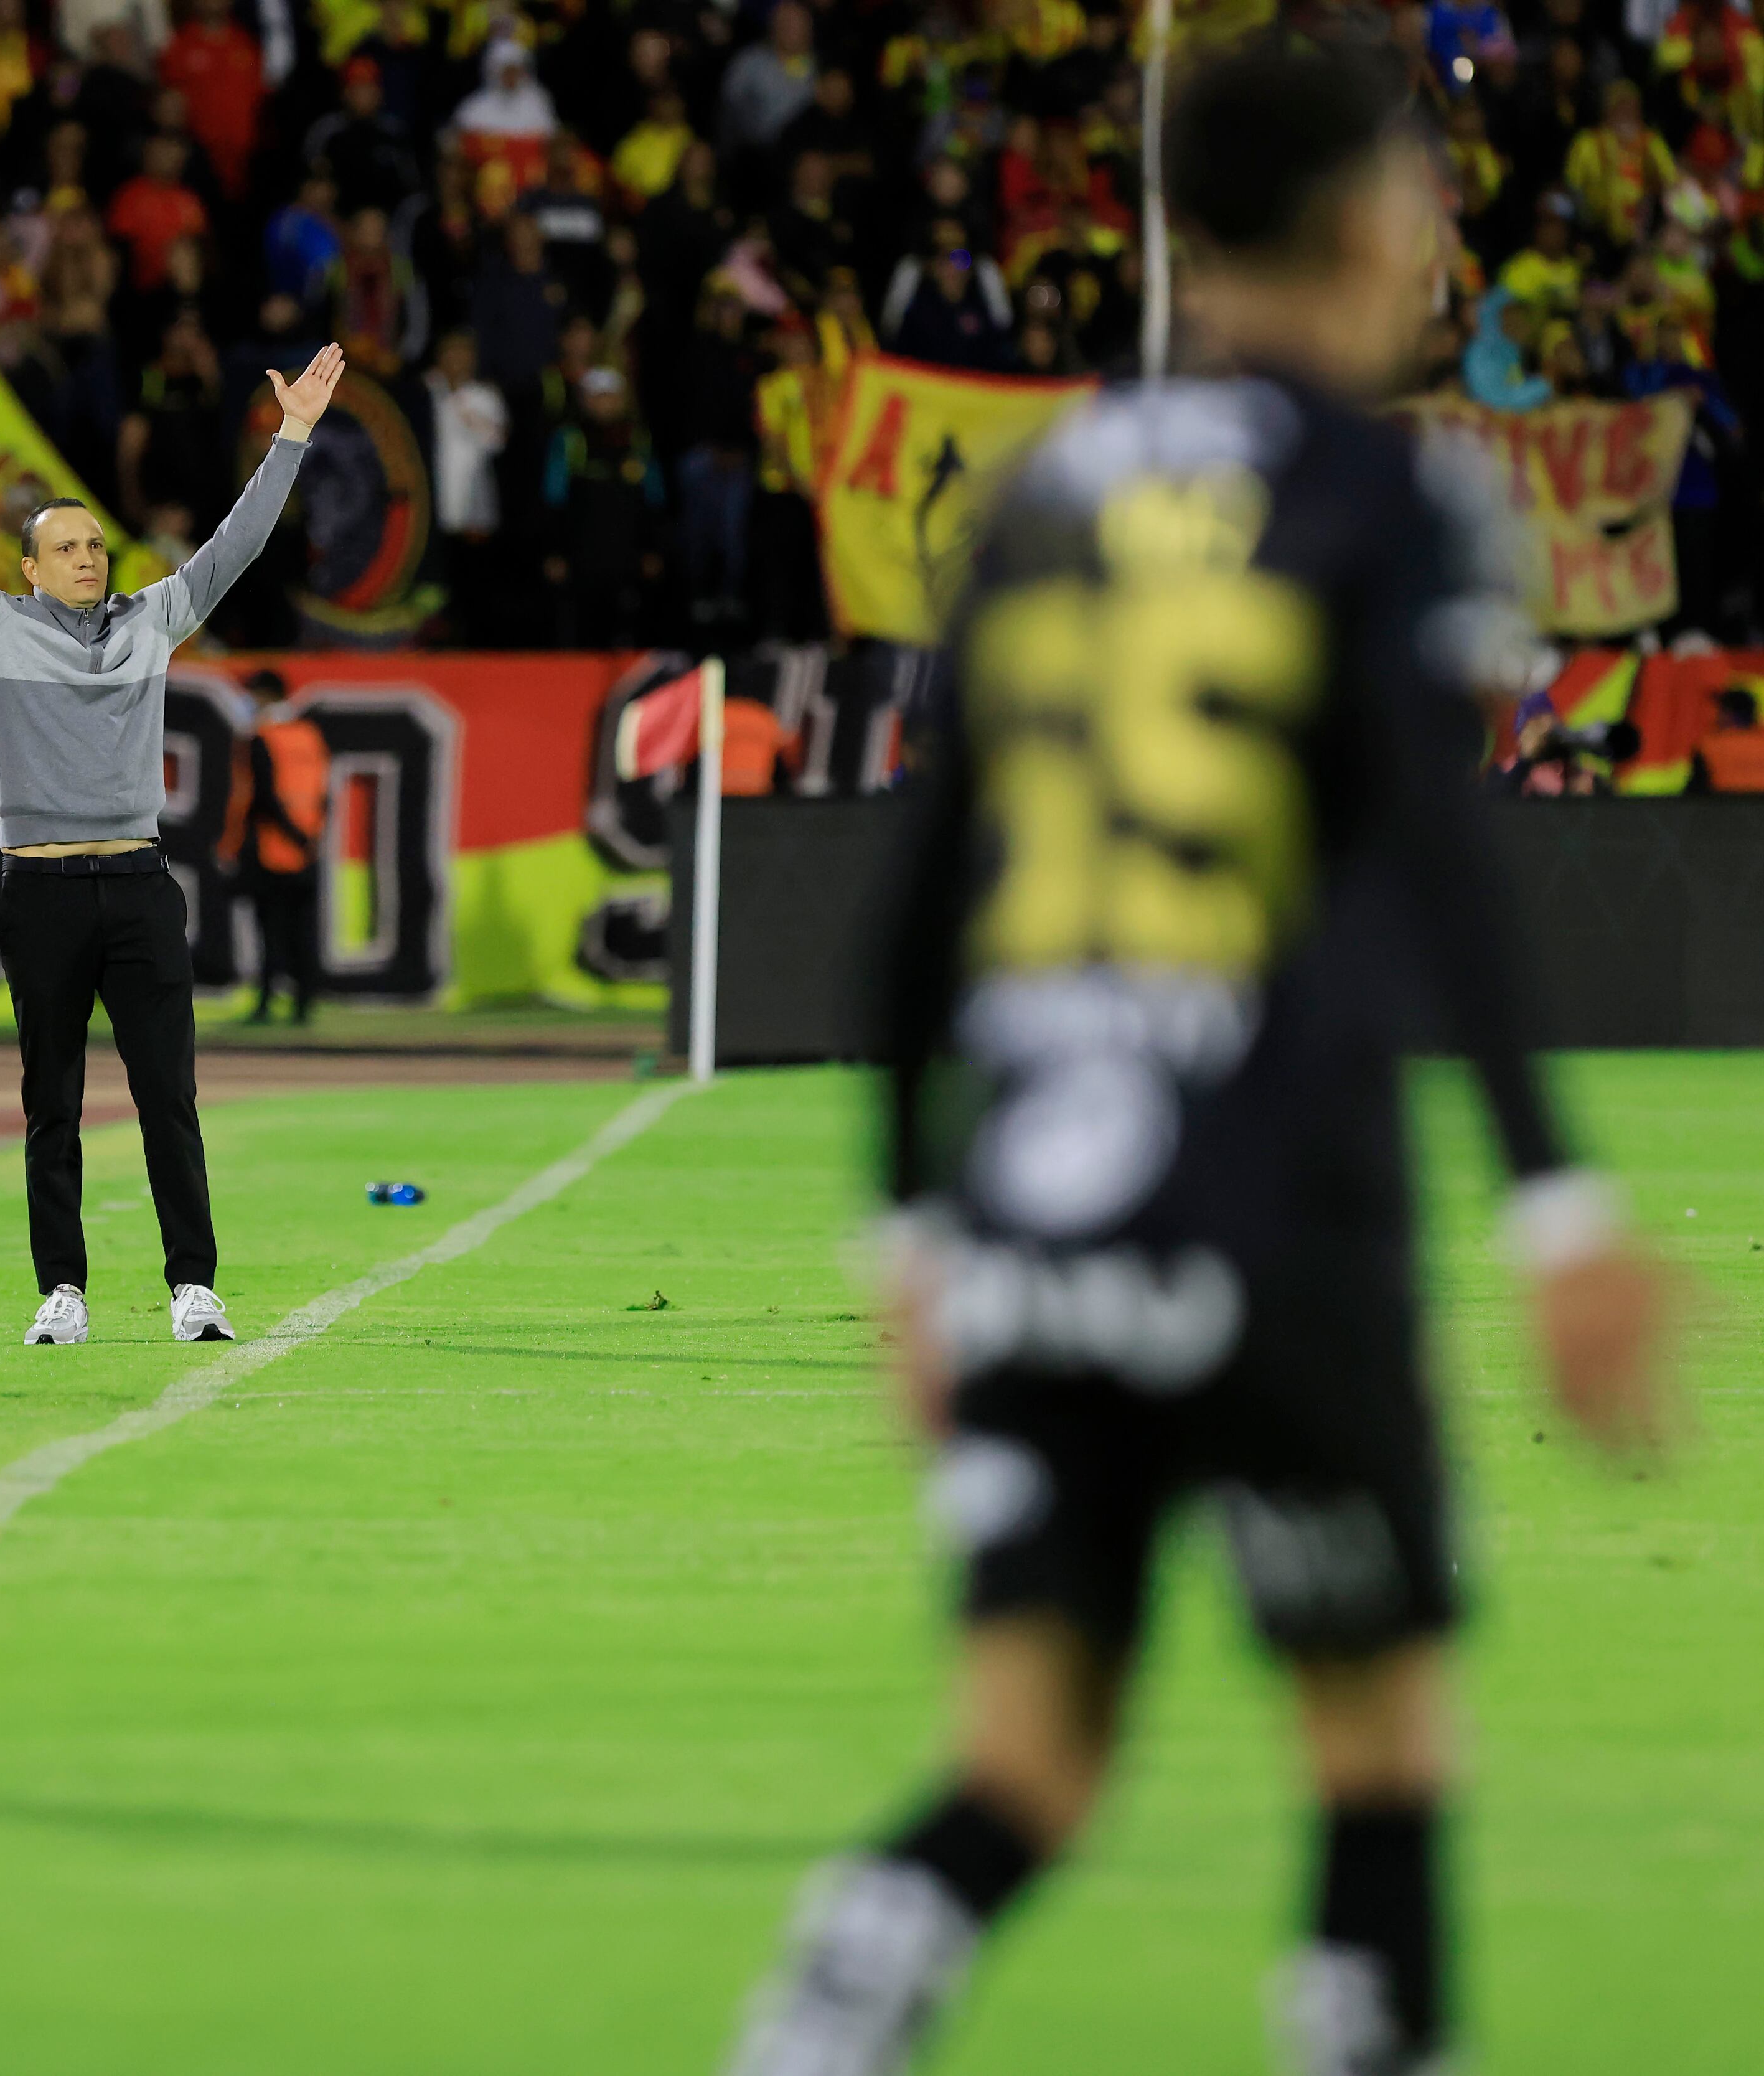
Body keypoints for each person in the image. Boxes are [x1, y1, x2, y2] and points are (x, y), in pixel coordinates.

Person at [723, 49, 1673, 2076]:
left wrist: (904, 1234)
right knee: (1380, 1746)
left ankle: (839, 1994)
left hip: (1030, 1222)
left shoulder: (1049, 490)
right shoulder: (1393, 495)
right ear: (1365, 223)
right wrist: (1559, 1199)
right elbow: (1440, 865)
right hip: (1273, 1204)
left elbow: (907, 914)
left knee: (1027, 1761)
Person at [0, 341, 347, 1350]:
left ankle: (193, 1288)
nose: (89, 557)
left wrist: (292, 435)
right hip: (42, 895)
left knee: (170, 1099)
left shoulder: (150, 621)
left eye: (96, 546)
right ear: (28, 569)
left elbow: (235, 547)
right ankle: (61, 1293)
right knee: (52, 1106)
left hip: (139, 883)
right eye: (67, 548)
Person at [221, 669, 327, 1026]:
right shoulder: (310, 735)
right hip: (307, 849)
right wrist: (308, 839)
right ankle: (304, 1003)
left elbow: (262, 795)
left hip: (268, 848)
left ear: (266, 695)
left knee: (269, 930)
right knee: (302, 929)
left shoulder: (262, 737)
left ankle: (267, 1002)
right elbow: (322, 793)